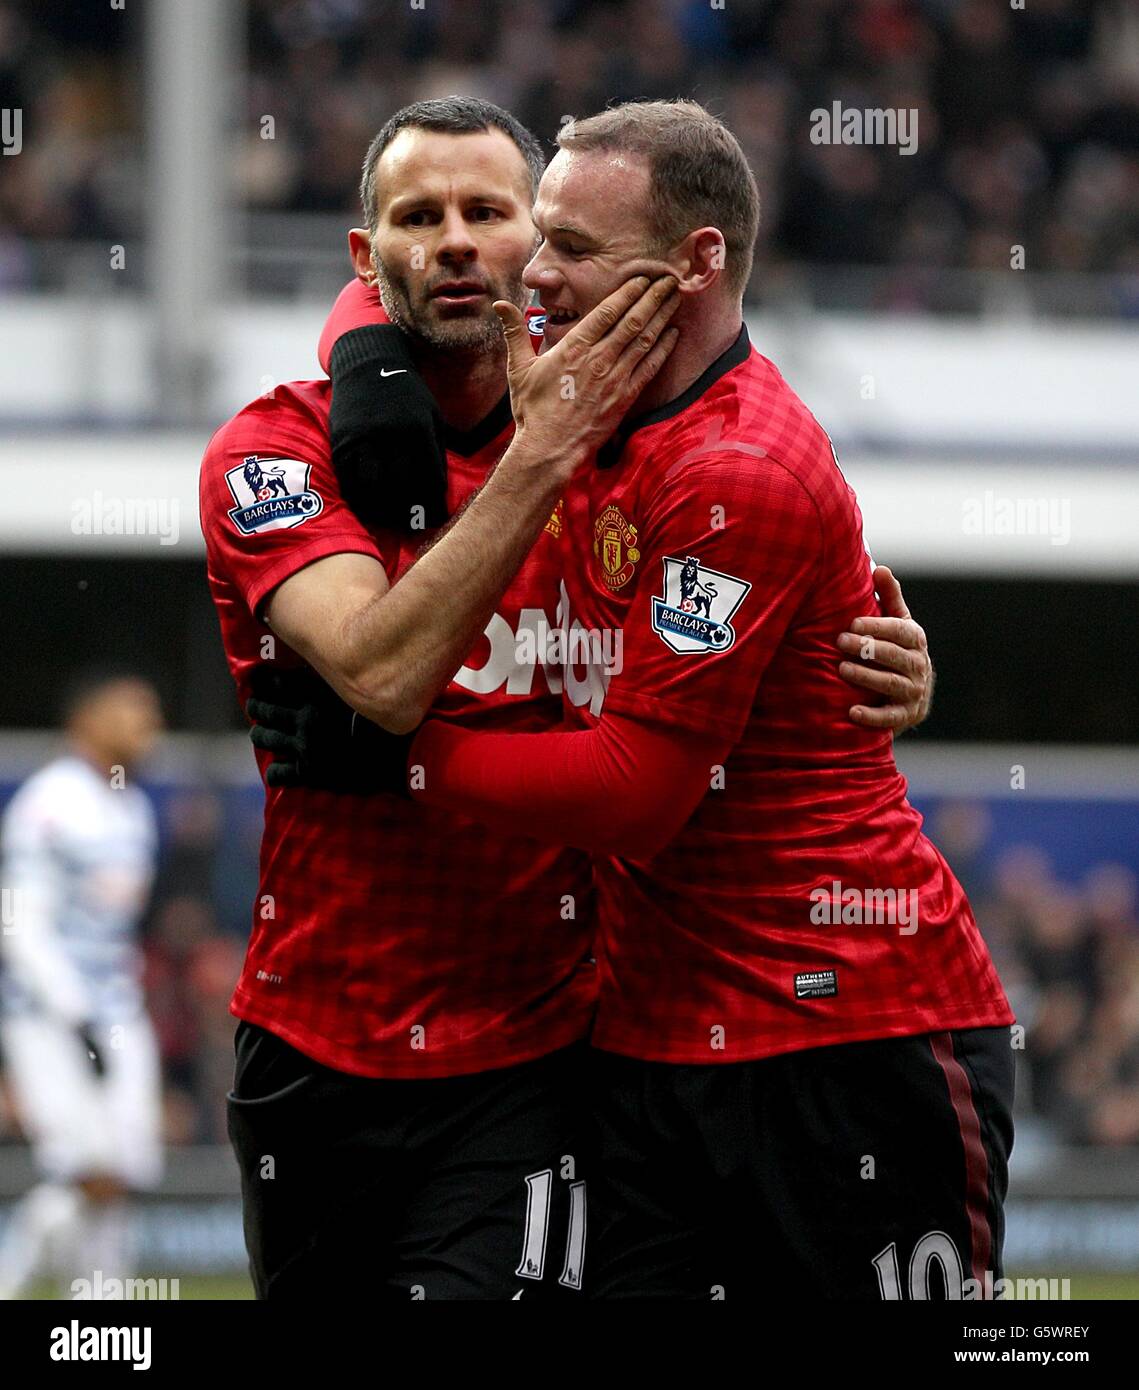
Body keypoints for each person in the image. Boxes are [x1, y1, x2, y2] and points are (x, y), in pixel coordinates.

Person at [263, 99, 1013, 1301]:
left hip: (846, 1030)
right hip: (648, 1044)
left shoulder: (734, 465)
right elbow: (419, 276)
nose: (529, 270)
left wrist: (391, 745)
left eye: (562, 244)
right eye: (537, 237)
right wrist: (367, 343)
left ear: (694, 262)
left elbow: (633, 791)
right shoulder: (584, 407)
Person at [0, 672, 163, 1299]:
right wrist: (71, 1010)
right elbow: (17, 920)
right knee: (87, 1171)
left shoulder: (134, 805)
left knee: (118, 1174)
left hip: (119, 1010)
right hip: (51, 1017)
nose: (149, 725)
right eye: (134, 711)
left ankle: (100, 1313)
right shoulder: (49, 803)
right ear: (88, 719)